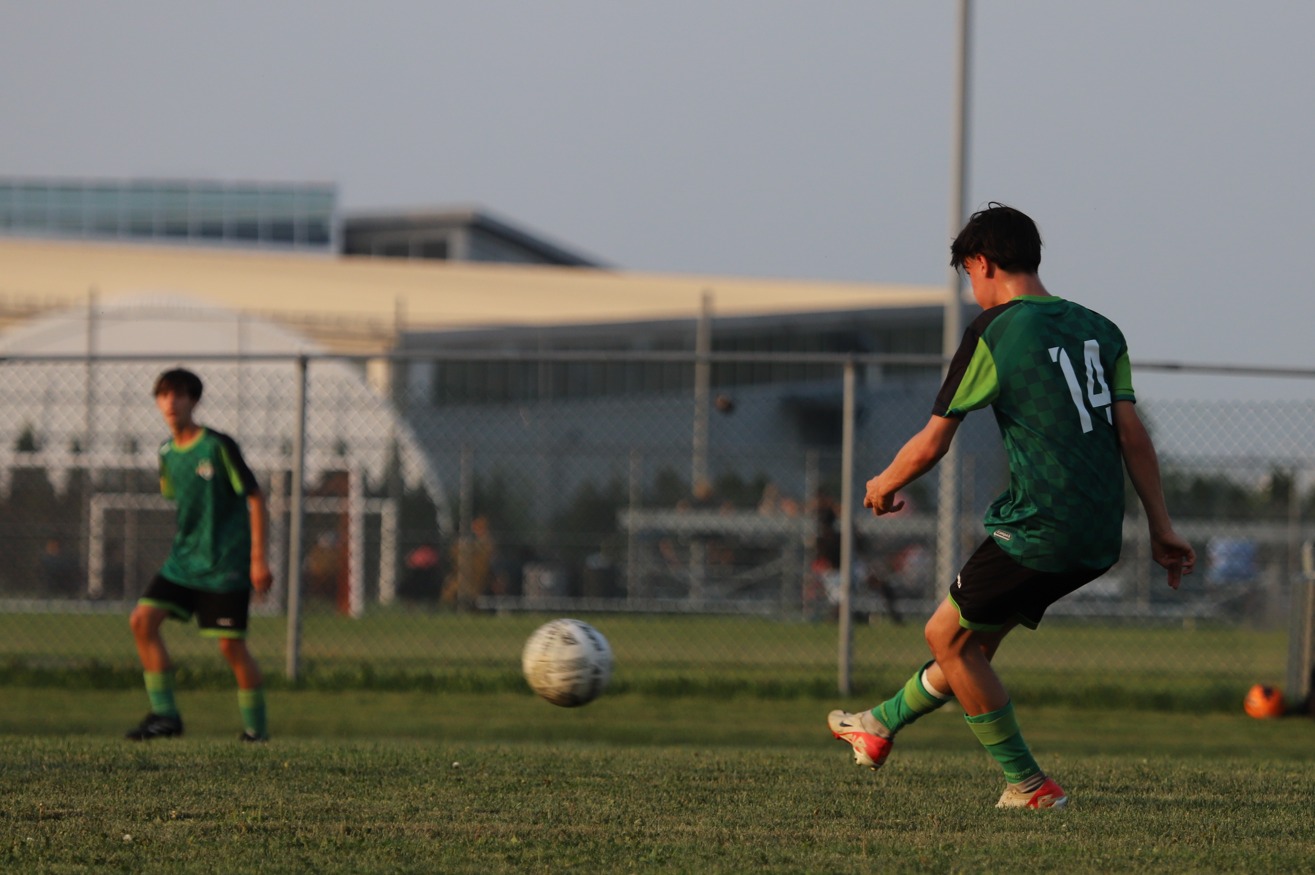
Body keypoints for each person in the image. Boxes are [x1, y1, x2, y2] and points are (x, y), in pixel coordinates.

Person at [827, 204, 1196, 809]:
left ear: (982, 263)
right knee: (971, 648)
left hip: (1039, 526)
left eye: (968, 274)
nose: (971, 290)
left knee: (944, 634)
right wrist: (1162, 526)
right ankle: (878, 725)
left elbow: (932, 440)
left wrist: (883, 482)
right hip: (1100, 534)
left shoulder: (994, 332)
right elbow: (1132, 436)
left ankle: (1029, 786)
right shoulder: (1102, 329)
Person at [125, 368, 272, 742]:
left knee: (230, 646)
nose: (171, 402)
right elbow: (179, 500)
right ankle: (165, 717)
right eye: (164, 395)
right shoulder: (166, 453)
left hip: (224, 564)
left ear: (194, 401)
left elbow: (255, 498)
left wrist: (258, 559)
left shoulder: (218, 446)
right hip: (184, 562)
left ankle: (256, 732)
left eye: (179, 395)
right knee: (142, 621)